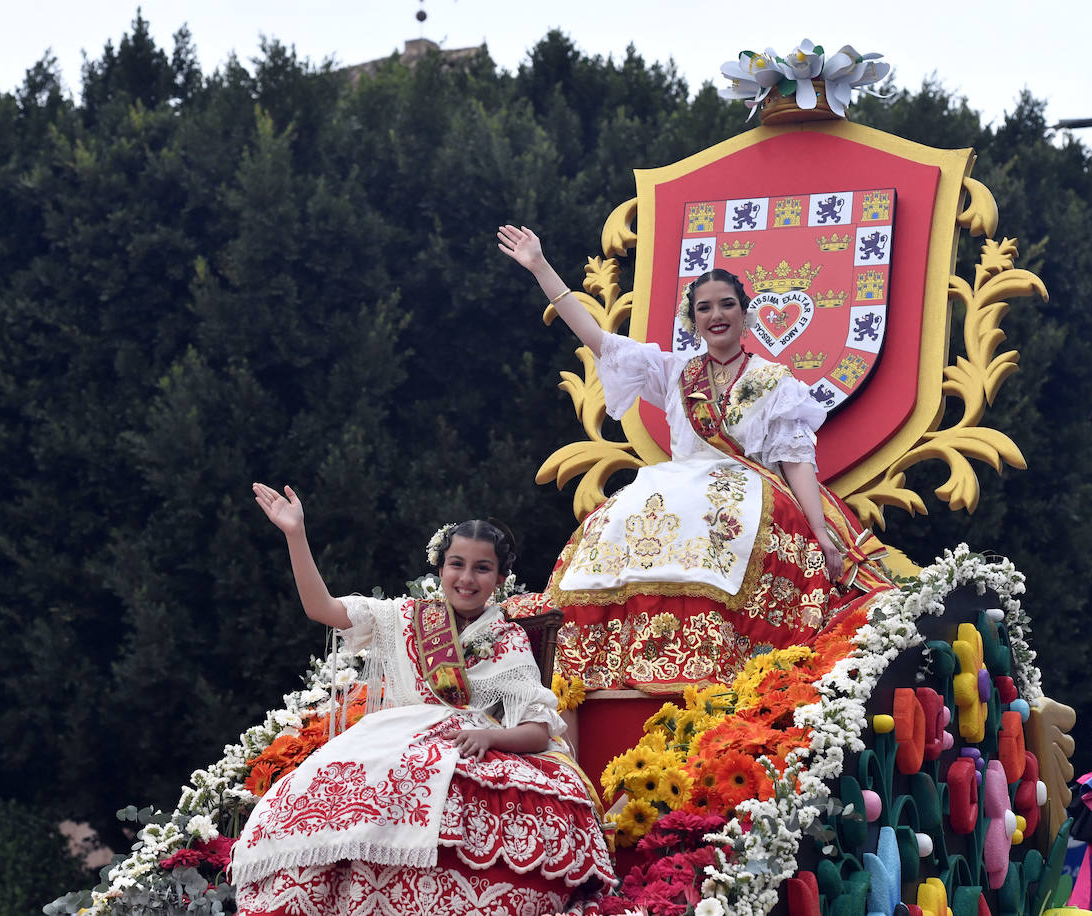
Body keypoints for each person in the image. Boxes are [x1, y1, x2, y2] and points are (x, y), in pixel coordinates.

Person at [497, 224, 891, 693]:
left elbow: (795, 461)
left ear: (745, 314)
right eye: (704, 307)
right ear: (693, 319)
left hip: (749, 493)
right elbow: (596, 338)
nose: (716, 314)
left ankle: (719, 659)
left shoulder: (775, 380)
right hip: (675, 484)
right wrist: (541, 267)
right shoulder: (673, 372)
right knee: (614, 526)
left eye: (727, 304)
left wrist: (822, 534)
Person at [229, 484, 616, 916]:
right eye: (457, 564)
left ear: (500, 579)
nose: (467, 579)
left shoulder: (507, 639)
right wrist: (295, 535)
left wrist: (491, 739)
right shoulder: (403, 617)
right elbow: (323, 608)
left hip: (468, 746)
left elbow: (539, 728)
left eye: (482, 568)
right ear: (441, 566)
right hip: (390, 741)